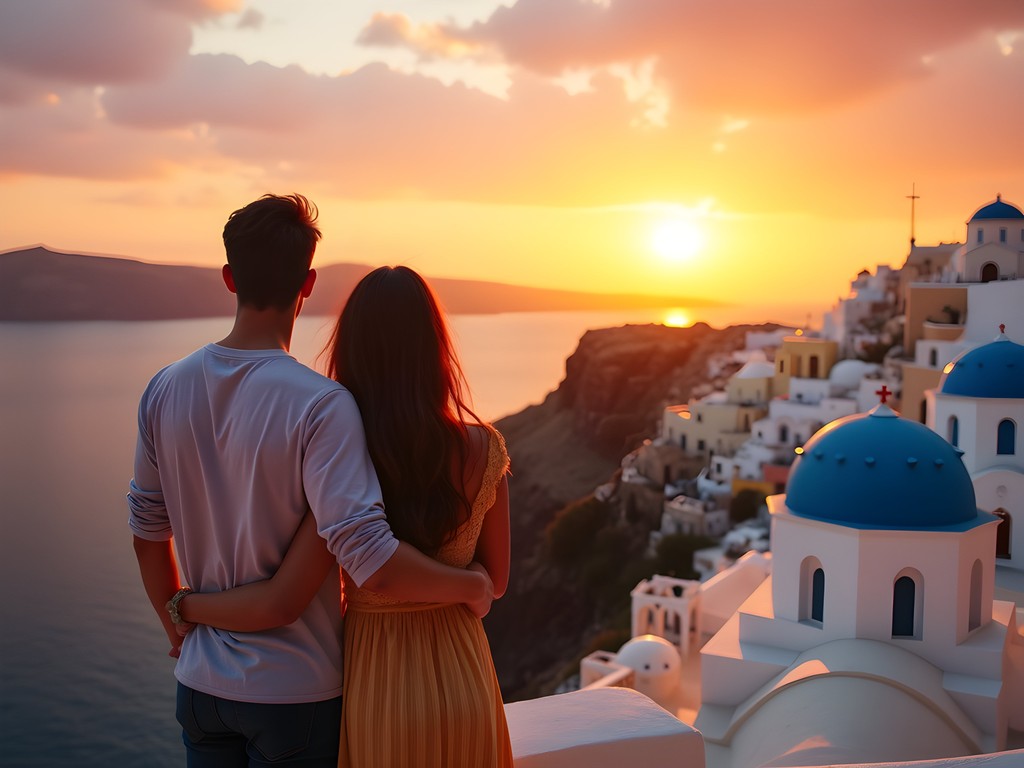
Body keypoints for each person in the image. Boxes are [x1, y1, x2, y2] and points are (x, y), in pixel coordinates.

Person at [128, 196, 493, 768]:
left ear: (229, 278)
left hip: (199, 689)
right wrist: (473, 586)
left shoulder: (163, 389)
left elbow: (148, 534)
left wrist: (176, 617)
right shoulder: (323, 406)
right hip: (293, 696)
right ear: (308, 283)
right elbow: (367, 556)